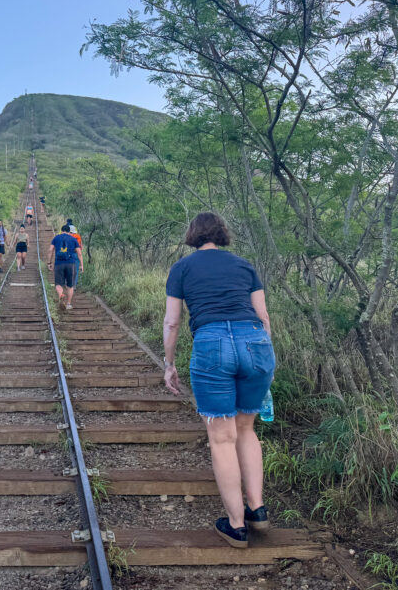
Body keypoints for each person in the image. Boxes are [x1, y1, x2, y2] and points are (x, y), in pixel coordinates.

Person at [162, 212, 274, 549]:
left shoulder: (182, 268)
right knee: (246, 429)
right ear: (222, 234)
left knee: (222, 438)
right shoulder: (244, 265)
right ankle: (258, 509)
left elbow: (172, 322)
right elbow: (263, 316)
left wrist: (169, 364)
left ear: (193, 235)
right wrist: (264, 359)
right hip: (256, 343)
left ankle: (236, 525)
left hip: (212, 344)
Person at [47, 224, 83, 310]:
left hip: (59, 263)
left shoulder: (56, 238)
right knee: (70, 286)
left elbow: (50, 250)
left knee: (58, 284)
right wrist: (81, 265)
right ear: (69, 231)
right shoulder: (74, 239)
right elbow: (79, 253)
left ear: (61, 230)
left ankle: (61, 295)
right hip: (71, 264)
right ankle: (68, 304)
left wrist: (49, 262)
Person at [65, 218, 83, 286]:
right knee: (76, 270)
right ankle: (74, 284)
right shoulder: (76, 232)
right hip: (76, 253)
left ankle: (67, 283)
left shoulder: (66, 229)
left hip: (68, 253)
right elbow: (80, 244)